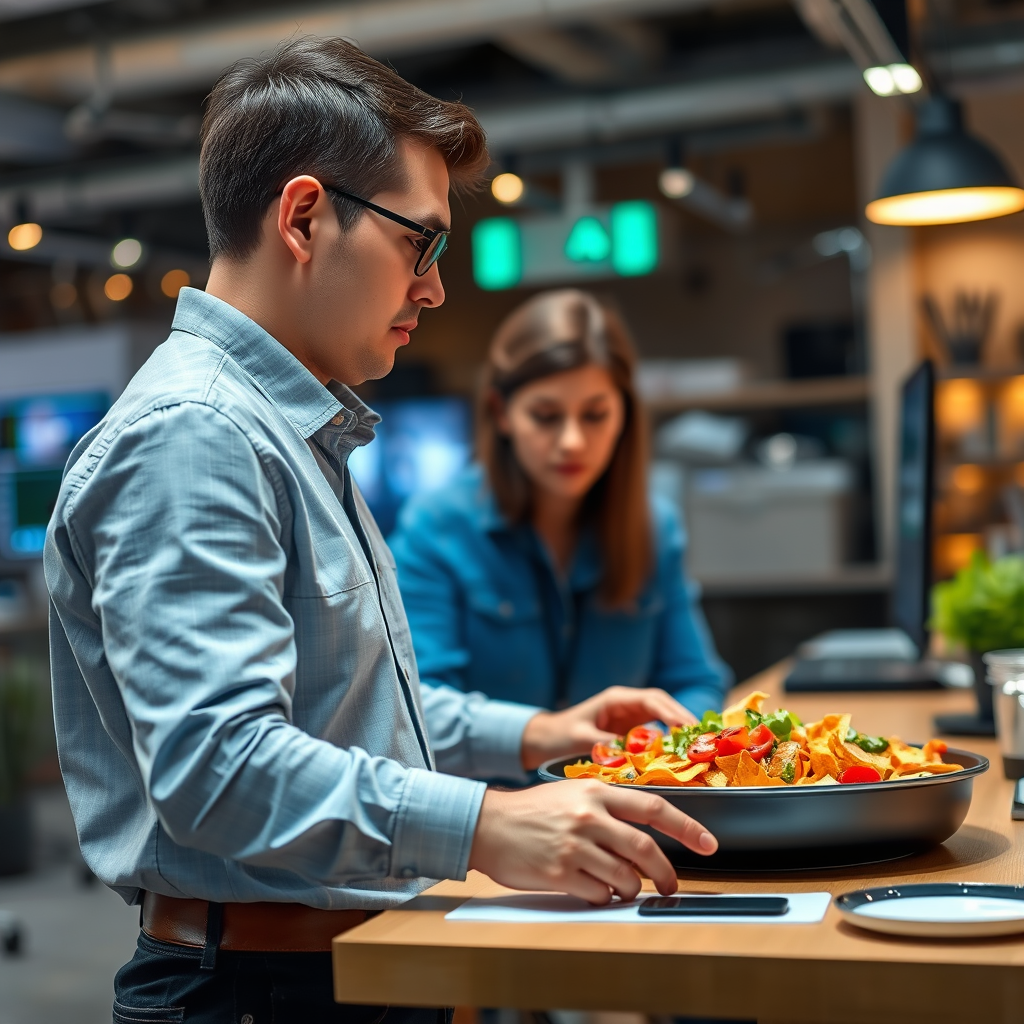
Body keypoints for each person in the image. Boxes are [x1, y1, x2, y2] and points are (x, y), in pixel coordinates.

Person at [43, 38, 718, 1024]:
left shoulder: (283, 428)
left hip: (337, 968)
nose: (434, 288)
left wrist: (541, 734)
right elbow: (218, 767)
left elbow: (347, 708)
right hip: (262, 991)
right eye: (420, 243)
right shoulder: (197, 434)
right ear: (304, 218)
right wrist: (487, 824)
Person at [390, 290, 730, 753]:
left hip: (622, 791)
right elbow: (414, 707)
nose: (572, 441)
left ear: (624, 414)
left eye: (595, 415)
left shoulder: (655, 527)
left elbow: (696, 683)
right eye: (546, 416)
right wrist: (546, 735)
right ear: (501, 413)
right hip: (497, 796)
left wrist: (643, 749)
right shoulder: (436, 528)